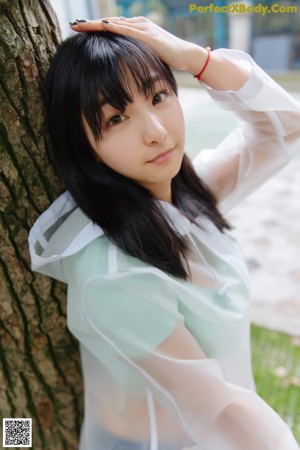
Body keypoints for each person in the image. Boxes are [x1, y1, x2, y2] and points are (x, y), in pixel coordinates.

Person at [28, 16, 300, 450]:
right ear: (83, 146)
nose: (156, 133)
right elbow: (223, 411)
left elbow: (284, 127)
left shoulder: (185, 197)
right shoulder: (116, 277)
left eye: (158, 96)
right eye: (116, 119)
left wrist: (197, 59)